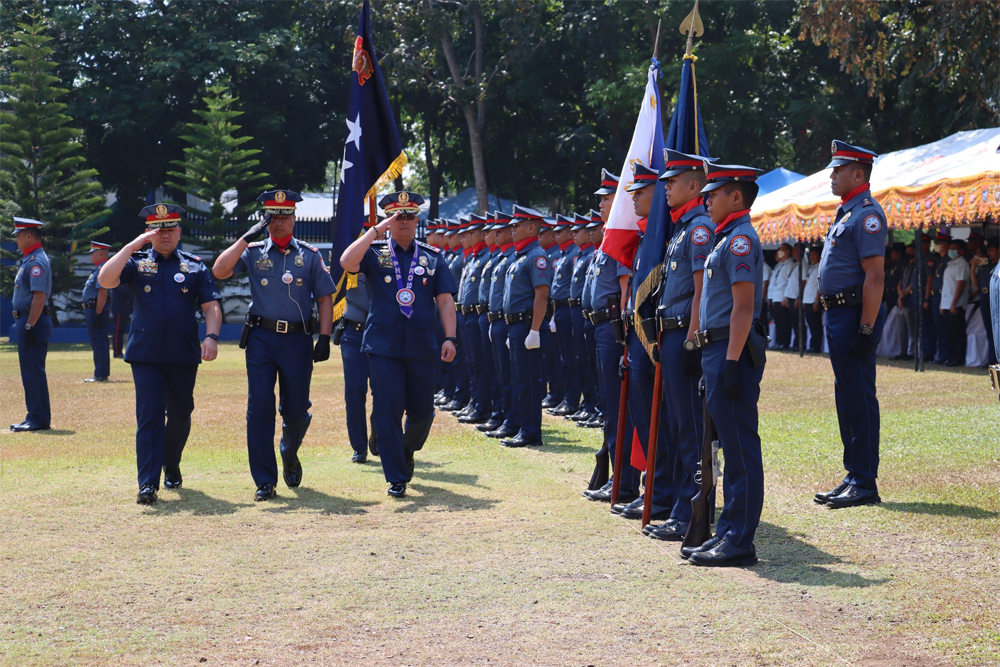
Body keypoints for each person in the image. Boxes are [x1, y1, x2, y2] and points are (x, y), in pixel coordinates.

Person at [212, 190, 336, 502]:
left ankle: (290, 452)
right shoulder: (253, 251)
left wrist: (324, 337)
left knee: (296, 411)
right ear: (265, 220)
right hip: (261, 340)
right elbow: (219, 271)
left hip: (297, 339)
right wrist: (245, 237)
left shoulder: (309, 254)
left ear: (295, 219)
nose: (278, 222)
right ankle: (264, 481)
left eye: (284, 216)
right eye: (272, 217)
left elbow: (324, 296)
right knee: (259, 410)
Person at [98, 204, 222, 504]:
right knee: (149, 416)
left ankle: (171, 461)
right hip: (146, 354)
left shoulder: (195, 266)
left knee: (181, 414)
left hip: (182, 352)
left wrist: (212, 336)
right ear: (149, 234)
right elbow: (105, 279)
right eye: (158, 229)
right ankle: (147, 484)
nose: (165, 234)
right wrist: (131, 246)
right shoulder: (136, 262)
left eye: (170, 228)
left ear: (179, 232)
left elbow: (211, 306)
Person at [339, 191, 458, 498]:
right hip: (383, 346)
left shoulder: (432, 257)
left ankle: (406, 447)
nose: (404, 222)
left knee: (422, 411)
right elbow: (346, 261)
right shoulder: (375, 251)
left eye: (409, 216)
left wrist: (450, 337)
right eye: (398, 217)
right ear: (390, 221)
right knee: (387, 407)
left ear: (417, 220)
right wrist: (376, 230)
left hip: (421, 344)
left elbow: (445, 301)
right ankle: (395, 476)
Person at [683, 161, 766, 567]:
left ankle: (740, 540)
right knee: (727, 447)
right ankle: (729, 531)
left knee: (739, 448)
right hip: (717, 351)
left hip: (732, 351)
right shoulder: (724, 239)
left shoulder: (739, 242)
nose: (706, 199)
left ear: (737, 196)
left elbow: (743, 308)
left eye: (713, 193)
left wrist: (731, 363)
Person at [644, 149, 714, 541]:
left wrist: (692, 337)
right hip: (669, 334)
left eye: (672, 182)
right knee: (676, 425)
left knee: (689, 427)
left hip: (684, 336)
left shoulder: (700, 228)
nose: (666, 188)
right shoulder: (682, 228)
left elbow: (702, 288)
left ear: (694, 185)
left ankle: (692, 514)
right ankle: (680, 507)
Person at [814, 141, 887, 510]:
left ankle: (865, 480)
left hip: (854, 314)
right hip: (837, 314)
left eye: (838, 170)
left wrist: (866, 328)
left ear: (858, 174)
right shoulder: (847, 213)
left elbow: (875, 277)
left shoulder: (867, 215)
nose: (832, 174)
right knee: (846, 397)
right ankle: (853, 473)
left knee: (859, 396)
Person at [500, 205, 553, 448]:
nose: (512, 230)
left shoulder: (537, 257)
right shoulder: (521, 256)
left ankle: (531, 432)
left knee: (529, 380)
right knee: (518, 378)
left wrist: (534, 330)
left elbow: (541, 295)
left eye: (517, 225)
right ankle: (523, 427)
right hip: (517, 326)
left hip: (527, 324)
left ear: (531, 228)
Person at [338, 217, 379, 464]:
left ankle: (379, 434)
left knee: (383, 391)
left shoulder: (386, 260)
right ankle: (359, 446)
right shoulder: (351, 259)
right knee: (354, 391)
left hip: (380, 333)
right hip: (353, 333)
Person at [10, 218, 53, 432]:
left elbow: (39, 296)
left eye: (18, 235)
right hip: (28, 320)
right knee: (30, 372)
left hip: (32, 321)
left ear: (28, 236)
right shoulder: (30, 259)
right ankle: (34, 415)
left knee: (33, 372)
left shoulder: (36, 261)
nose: (16, 240)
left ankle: (38, 418)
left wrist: (29, 325)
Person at [483, 211, 519, 439]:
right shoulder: (500, 258)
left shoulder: (514, 258)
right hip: (494, 320)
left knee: (509, 375)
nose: (494, 235)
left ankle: (510, 418)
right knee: (497, 373)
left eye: (500, 231)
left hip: (508, 322)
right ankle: (500, 415)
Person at [548, 214, 581, 417]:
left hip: (570, 310)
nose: (556, 235)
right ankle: (566, 398)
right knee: (563, 357)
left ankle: (572, 400)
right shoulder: (563, 255)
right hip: (559, 309)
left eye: (560, 232)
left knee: (572, 358)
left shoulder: (575, 254)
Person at [567, 213, 598, 424]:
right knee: (581, 360)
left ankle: (594, 406)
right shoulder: (582, 256)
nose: (574, 235)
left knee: (590, 363)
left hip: (585, 312)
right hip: (578, 312)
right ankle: (589, 404)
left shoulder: (589, 256)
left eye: (583, 231)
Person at [82, 241, 112, 382]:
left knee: (99, 342)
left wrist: (98, 313)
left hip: (96, 308)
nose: (90, 255)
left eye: (92, 252)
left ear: (100, 253)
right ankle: (101, 372)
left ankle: (100, 374)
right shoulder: (98, 268)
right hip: (94, 308)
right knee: (98, 342)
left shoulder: (102, 269)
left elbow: (102, 293)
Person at [940, 238, 970, 366]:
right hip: (947, 303)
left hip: (955, 305)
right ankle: (951, 357)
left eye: (954, 248)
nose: (951, 250)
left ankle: (958, 358)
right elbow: (947, 286)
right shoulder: (949, 264)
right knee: (950, 333)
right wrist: (942, 304)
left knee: (957, 334)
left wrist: (953, 303)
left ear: (961, 251)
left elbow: (960, 285)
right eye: (950, 248)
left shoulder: (962, 264)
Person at [971, 239, 999, 365]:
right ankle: (992, 359)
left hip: (996, 298)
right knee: (989, 330)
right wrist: (973, 268)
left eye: (991, 249)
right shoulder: (985, 266)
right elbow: (976, 283)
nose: (988, 253)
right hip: (984, 297)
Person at [800, 247, 823, 353]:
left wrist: (817, 301)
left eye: (814, 254)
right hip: (807, 300)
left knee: (816, 325)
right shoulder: (811, 268)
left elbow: (820, 285)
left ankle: (816, 346)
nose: (812, 257)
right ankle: (812, 345)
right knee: (810, 324)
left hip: (814, 300)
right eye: (811, 255)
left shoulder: (820, 267)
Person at [110, 282, 133, 359]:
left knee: (122, 331)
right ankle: (117, 352)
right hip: (120, 308)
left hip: (126, 307)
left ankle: (119, 351)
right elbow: (122, 289)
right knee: (118, 331)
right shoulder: (118, 279)